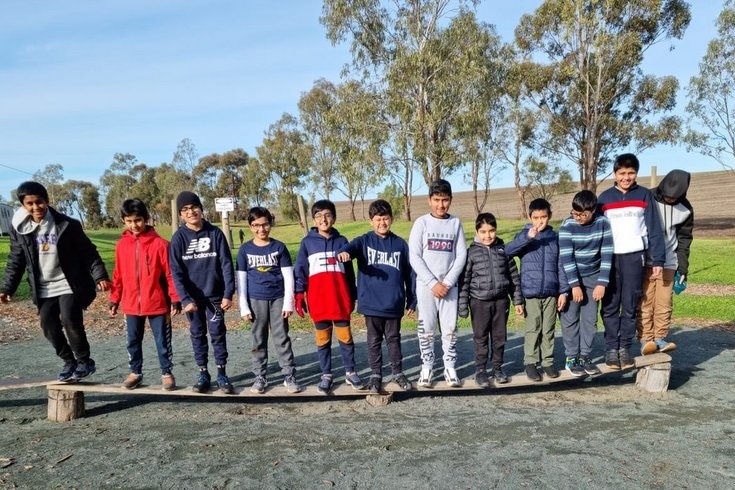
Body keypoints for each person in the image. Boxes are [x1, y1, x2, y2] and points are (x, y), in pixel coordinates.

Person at [0, 181, 111, 382]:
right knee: (48, 326)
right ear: (23, 206)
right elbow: (16, 259)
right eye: (30, 204)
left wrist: (100, 275)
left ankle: (85, 361)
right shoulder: (20, 229)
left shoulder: (67, 225)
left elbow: (89, 252)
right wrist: (7, 288)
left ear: (47, 201)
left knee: (70, 321)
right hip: (43, 288)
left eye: (39, 202)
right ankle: (69, 362)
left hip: (69, 283)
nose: (36, 208)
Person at [336, 199, 416, 393]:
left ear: (391, 219)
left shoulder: (399, 244)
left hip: (393, 303)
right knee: (373, 341)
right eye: (378, 219)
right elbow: (346, 249)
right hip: (371, 303)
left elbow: (410, 273)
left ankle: (397, 372)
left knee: (394, 339)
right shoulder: (364, 241)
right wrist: (344, 254)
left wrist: (412, 299)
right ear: (371, 221)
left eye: (386, 218)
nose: (382, 223)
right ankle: (375, 374)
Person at [598, 154, 665, 370]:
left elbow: (654, 229)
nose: (626, 177)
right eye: (622, 173)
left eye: (631, 173)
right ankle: (610, 348)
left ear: (636, 173)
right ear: (615, 174)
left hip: (635, 258)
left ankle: (624, 348)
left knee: (629, 305)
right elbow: (596, 229)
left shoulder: (645, 196)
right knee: (610, 305)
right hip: (610, 259)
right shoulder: (604, 198)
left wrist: (658, 259)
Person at [108, 199, 181, 390]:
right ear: (124, 221)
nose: (135, 225)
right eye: (130, 221)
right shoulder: (121, 246)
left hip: (157, 303)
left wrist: (175, 298)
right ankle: (135, 372)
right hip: (131, 304)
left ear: (146, 219)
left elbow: (170, 273)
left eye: (138, 220)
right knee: (132, 340)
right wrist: (114, 298)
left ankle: (166, 372)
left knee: (162, 341)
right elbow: (118, 274)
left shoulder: (161, 244)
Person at [294, 199, 365, 394]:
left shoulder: (342, 242)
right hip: (318, 300)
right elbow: (300, 271)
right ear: (313, 220)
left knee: (345, 337)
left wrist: (353, 294)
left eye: (327, 215)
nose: (323, 219)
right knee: (323, 339)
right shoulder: (307, 243)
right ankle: (326, 375)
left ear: (333, 217)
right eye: (318, 216)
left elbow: (350, 272)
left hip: (340, 299)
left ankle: (350, 372)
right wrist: (299, 294)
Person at [169, 191, 236, 394]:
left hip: (215, 296)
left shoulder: (215, 233)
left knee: (217, 334)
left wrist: (228, 293)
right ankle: (203, 373)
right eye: (186, 210)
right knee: (197, 334)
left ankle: (222, 373)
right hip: (193, 300)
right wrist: (184, 298)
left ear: (201, 208)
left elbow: (226, 265)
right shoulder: (179, 238)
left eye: (194, 207)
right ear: (181, 214)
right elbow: (176, 271)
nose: (191, 212)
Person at [236, 206, 302, 394]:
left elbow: (288, 276)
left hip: (278, 299)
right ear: (250, 226)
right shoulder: (245, 249)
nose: (261, 229)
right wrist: (244, 307)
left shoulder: (279, 247)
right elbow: (241, 279)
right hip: (255, 300)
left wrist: (288, 302)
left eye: (265, 224)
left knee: (282, 338)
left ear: (270, 224)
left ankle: (289, 375)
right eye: (256, 225)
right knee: (258, 339)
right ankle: (260, 376)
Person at [409, 179, 467, 388]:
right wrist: (433, 283)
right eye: (436, 200)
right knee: (426, 328)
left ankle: (450, 367)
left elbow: (461, 255)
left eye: (444, 200)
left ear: (450, 200)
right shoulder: (421, 223)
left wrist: (448, 282)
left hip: (449, 288)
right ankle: (427, 368)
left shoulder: (455, 223)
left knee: (450, 329)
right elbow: (414, 256)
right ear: (429, 200)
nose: (440, 205)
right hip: (426, 287)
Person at [505, 198, 569, 382]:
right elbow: (508, 251)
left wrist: (563, 291)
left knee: (548, 329)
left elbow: (561, 266)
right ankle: (531, 362)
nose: (540, 221)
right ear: (530, 217)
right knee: (534, 328)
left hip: (551, 292)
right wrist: (527, 237)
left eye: (543, 217)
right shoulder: (524, 235)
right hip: (531, 292)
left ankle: (547, 361)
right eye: (536, 217)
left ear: (549, 216)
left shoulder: (555, 238)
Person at [458, 212, 523, 387]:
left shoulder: (504, 251)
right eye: (484, 231)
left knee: (499, 337)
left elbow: (514, 278)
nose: (488, 235)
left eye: (492, 231)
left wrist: (517, 301)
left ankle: (497, 368)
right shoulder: (471, 253)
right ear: (477, 232)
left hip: (501, 302)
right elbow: (464, 281)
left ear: (496, 230)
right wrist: (462, 306)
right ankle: (480, 370)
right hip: (479, 302)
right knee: (480, 338)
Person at [637, 170, 693, 355]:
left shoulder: (686, 209)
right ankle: (645, 339)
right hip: (645, 261)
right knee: (646, 301)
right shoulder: (647, 197)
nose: (670, 199)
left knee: (664, 303)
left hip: (669, 261)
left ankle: (660, 338)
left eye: (674, 197)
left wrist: (683, 267)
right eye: (667, 196)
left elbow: (684, 239)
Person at [559, 190, 614, 377]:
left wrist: (602, 283)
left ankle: (584, 356)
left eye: (583, 214)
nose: (579, 218)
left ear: (593, 210)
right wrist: (574, 285)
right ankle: (571, 357)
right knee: (570, 318)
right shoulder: (567, 225)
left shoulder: (603, 223)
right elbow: (566, 258)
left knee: (590, 320)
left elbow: (607, 253)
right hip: (572, 276)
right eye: (575, 213)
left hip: (594, 276)